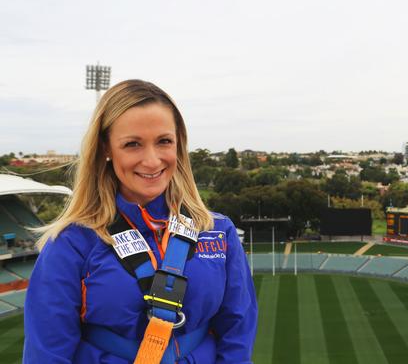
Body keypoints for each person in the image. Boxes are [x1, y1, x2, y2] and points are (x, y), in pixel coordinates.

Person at [23, 79, 257, 363]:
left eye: (164, 141)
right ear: (106, 149)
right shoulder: (72, 243)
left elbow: (237, 335)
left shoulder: (217, 231)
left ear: (178, 144)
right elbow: (46, 354)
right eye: (132, 144)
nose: (152, 160)